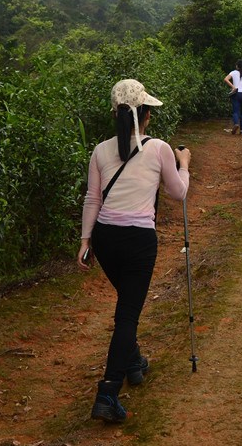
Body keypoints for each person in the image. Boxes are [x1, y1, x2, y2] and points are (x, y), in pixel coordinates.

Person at [77, 78, 191, 423]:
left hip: (105, 239)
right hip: (139, 241)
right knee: (127, 314)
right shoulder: (159, 149)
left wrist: (85, 241)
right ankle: (108, 392)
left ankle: (134, 362)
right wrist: (184, 163)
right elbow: (179, 193)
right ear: (145, 116)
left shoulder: (100, 150)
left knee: (126, 303)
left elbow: (92, 198)